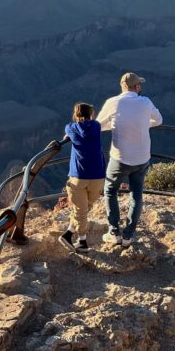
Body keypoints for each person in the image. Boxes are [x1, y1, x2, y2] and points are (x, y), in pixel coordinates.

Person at [96, 72, 162, 246]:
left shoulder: (112, 102)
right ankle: (128, 235)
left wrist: (117, 124)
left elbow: (98, 126)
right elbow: (159, 120)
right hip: (142, 158)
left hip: (119, 158)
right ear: (137, 87)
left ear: (122, 86)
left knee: (110, 191)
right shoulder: (145, 102)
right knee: (136, 195)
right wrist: (141, 123)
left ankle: (114, 232)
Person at [59, 102, 106, 251]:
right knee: (85, 208)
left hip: (79, 176)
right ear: (91, 114)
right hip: (98, 175)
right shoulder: (97, 126)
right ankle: (69, 234)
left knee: (80, 210)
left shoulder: (71, 128)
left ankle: (82, 241)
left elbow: (68, 132)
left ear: (75, 115)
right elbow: (91, 125)